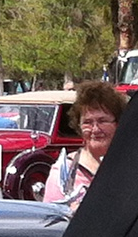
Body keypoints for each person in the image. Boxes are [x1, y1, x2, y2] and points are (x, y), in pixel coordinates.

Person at [41, 81, 123, 215]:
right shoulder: (64, 171)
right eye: (87, 122)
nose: (95, 129)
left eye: (102, 121)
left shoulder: (132, 165)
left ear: (118, 123)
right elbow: (51, 220)